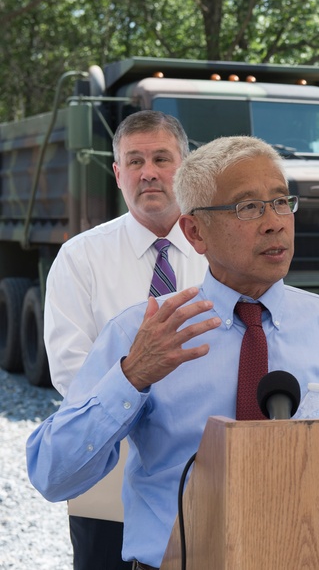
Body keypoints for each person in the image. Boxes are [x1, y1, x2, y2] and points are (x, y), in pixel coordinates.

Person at [27, 136, 319, 568]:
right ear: (196, 231)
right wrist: (131, 377)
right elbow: (52, 474)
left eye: (280, 202)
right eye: (248, 207)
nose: (274, 222)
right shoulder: (144, 333)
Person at [43, 110, 208, 570]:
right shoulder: (81, 258)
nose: (148, 172)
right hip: (111, 477)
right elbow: (71, 371)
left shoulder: (218, 252)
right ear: (118, 174)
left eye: (161, 158)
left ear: (186, 166)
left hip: (203, 473)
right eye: (134, 161)